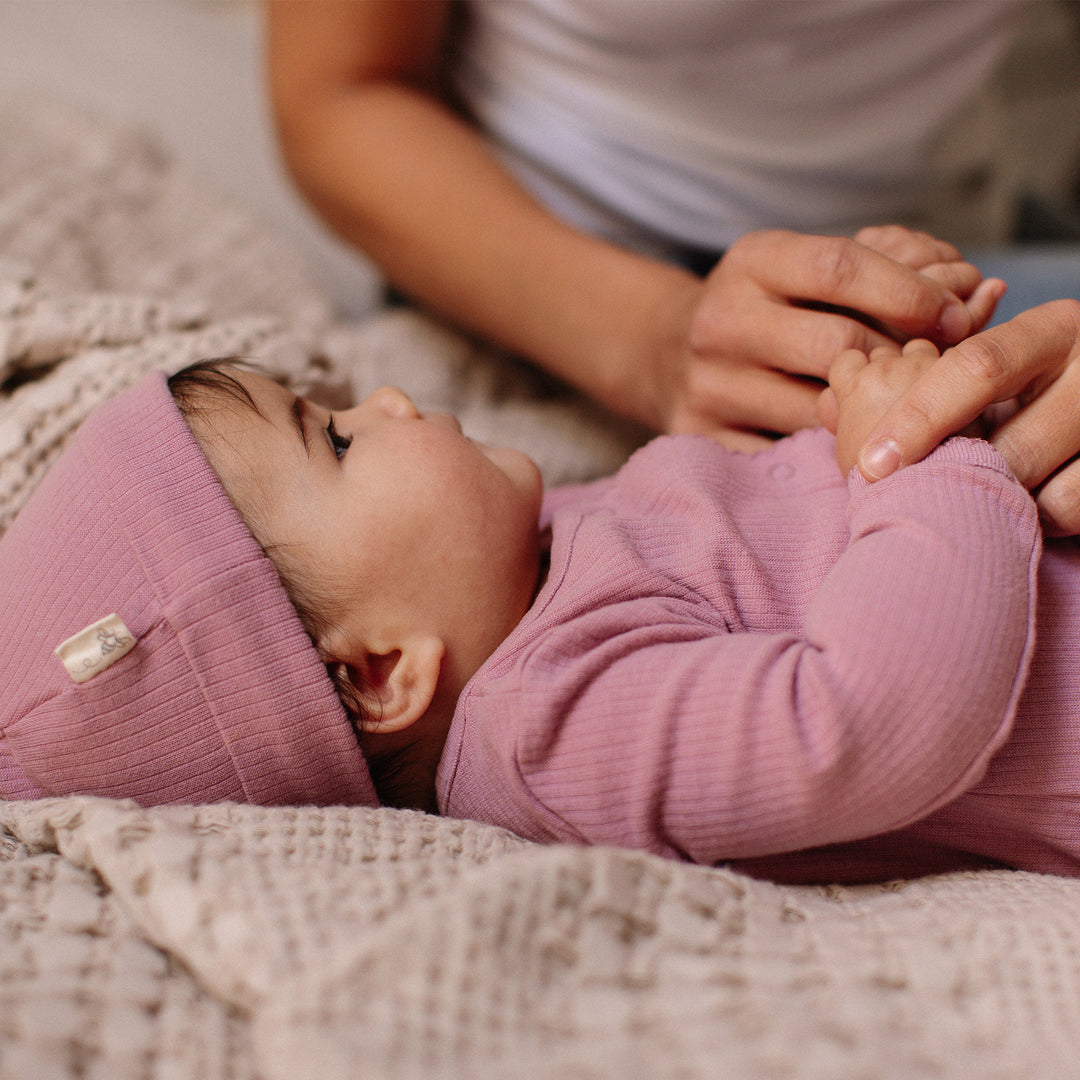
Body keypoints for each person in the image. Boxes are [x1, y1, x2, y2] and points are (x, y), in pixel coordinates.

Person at [3, 318, 1080, 884]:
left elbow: (753, 522)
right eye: (334, 437)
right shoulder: (548, 725)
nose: (382, 401)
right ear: (381, 674)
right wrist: (926, 457)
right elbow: (867, 724)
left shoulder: (515, 562)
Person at [264, 0, 1080, 532]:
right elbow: (338, 91)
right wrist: (649, 337)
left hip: (925, 248)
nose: (391, 406)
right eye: (336, 443)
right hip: (528, 245)